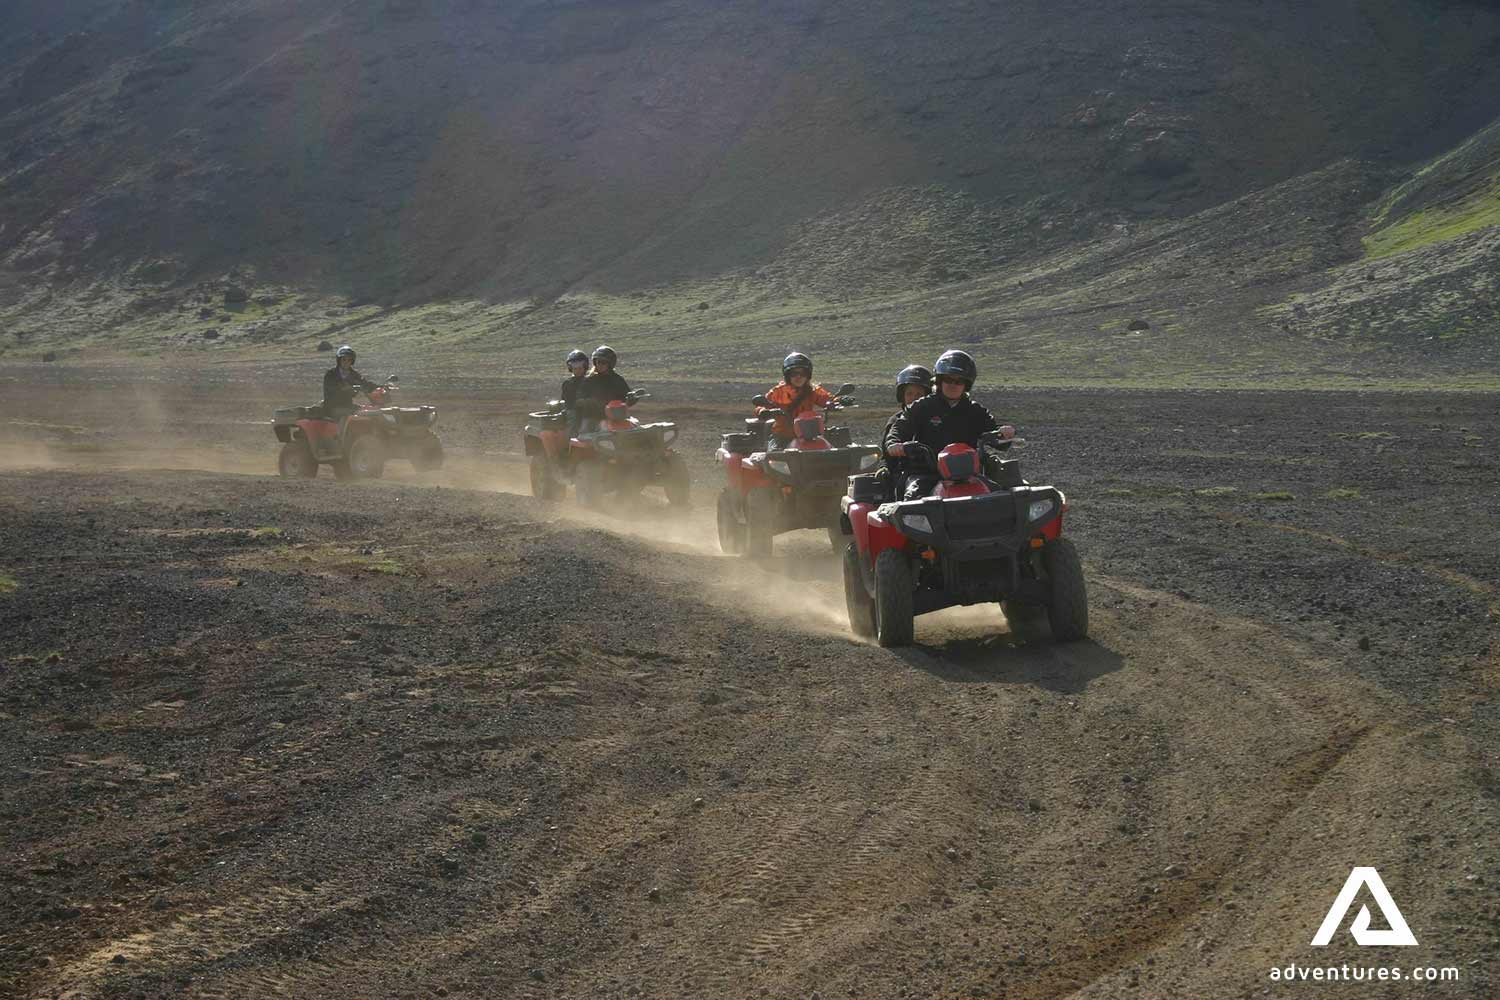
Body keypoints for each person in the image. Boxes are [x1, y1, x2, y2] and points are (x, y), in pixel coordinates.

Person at [884, 350, 1015, 500]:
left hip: (969, 475)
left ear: (966, 384)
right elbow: (900, 428)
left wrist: (1005, 433)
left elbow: (997, 435)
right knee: (912, 499)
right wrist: (894, 444)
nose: (953, 385)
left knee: (1000, 498)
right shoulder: (922, 406)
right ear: (939, 381)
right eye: (948, 379)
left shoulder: (975, 411)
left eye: (959, 381)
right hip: (926, 473)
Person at [757, 352, 836, 446]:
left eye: (803, 373)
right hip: (783, 435)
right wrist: (763, 411)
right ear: (787, 375)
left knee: (830, 451)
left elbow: (827, 398)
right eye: (794, 374)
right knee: (774, 455)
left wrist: (838, 401)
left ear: (808, 375)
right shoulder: (778, 391)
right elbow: (763, 405)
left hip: (809, 434)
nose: (799, 377)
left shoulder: (813, 390)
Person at [881, 364, 933, 491]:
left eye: (919, 394)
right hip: (907, 471)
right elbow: (887, 454)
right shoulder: (896, 421)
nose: (914, 398)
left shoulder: (936, 419)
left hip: (938, 470)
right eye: (909, 393)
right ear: (902, 396)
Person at [576, 345, 631, 432]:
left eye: (603, 362)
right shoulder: (589, 380)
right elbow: (579, 398)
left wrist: (632, 398)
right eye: (598, 362)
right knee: (585, 432)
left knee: (633, 425)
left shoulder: (617, 379)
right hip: (594, 416)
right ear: (595, 363)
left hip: (616, 416)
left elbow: (626, 396)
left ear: (610, 363)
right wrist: (588, 402)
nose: (600, 365)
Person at [321, 345, 369, 419]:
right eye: (344, 359)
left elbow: (365, 382)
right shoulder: (331, 374)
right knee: (351, 415)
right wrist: (349, 388)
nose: (346, 362)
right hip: (333, 407)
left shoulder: (354, 374)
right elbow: (333, 388)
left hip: (348, 405)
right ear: (339, 360)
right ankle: (341, 431)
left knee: (369, 410)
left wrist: (380, 387)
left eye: (349, 360)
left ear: (352, 361)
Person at [561, 349, 589, 435]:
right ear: (570, 368)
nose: (578, 370)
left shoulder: (591, 381)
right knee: (573, 419)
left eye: (580, 367)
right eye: (575, 368)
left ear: (585, 366)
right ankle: (572, 442)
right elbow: (566, 402)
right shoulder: (567, 384)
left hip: (589, 410)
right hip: (574, 412)